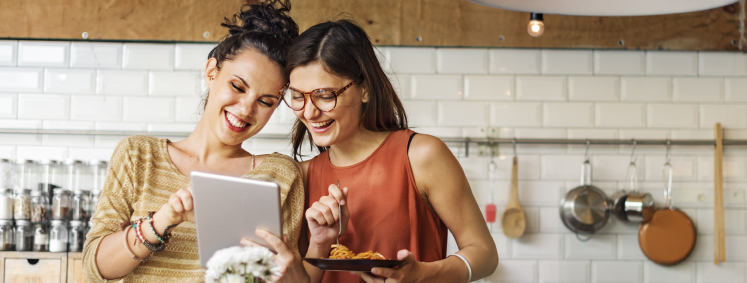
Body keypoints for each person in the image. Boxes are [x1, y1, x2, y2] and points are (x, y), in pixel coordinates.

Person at [82, 1, 310, 282]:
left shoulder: (281, 175)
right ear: (212, 71)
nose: (246, 109)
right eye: (237, 86)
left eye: (266, 101)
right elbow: (95, 267)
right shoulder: (138, 156)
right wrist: (161, 221)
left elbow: (286, 273)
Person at [283, 20, 499, 283]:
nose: (309, 112)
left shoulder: (421, 155)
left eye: (325, 95)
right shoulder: (302, 176)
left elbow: (485, 255)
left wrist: (421, 274)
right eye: (297, 96)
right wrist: (320, 245)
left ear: (364, 89)